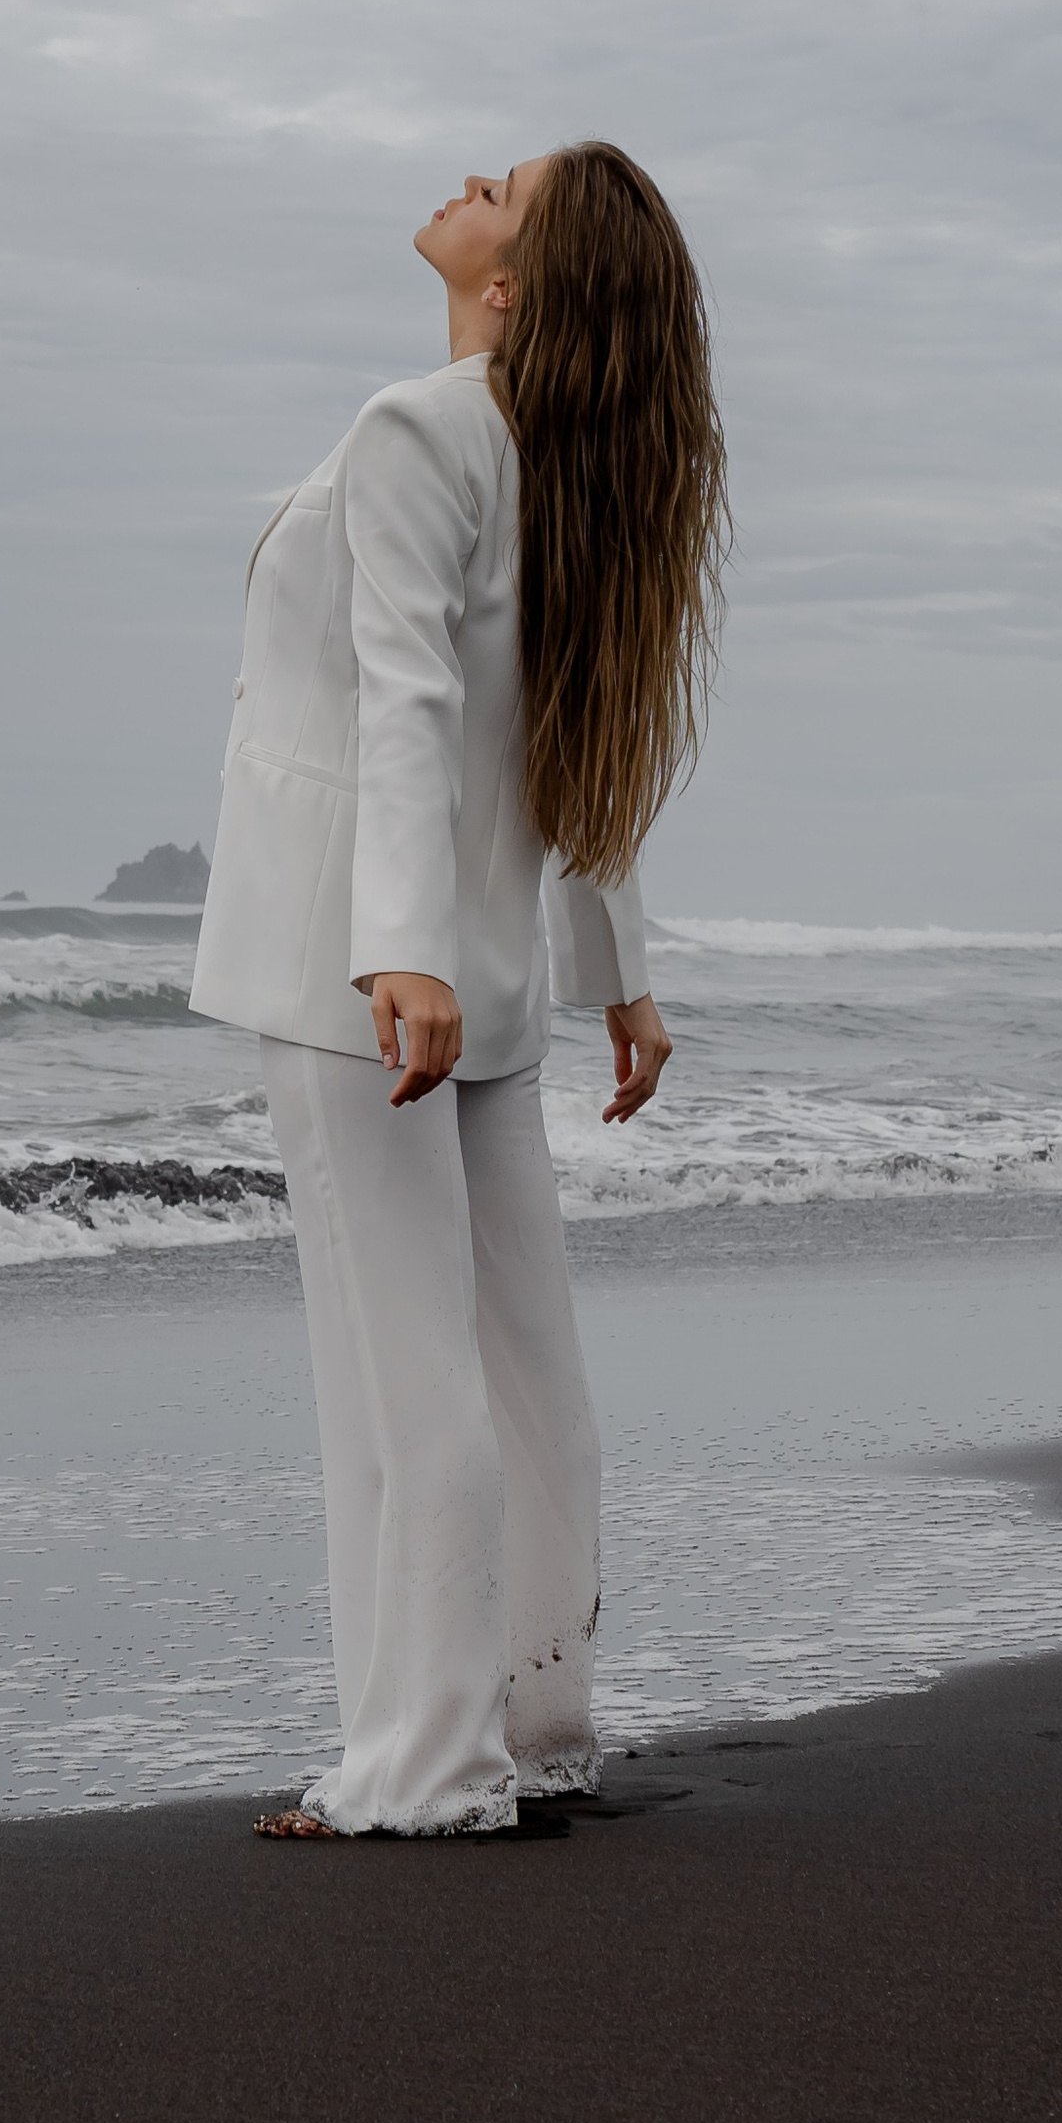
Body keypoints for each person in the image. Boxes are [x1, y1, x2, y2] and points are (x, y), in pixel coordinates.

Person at [188, 144, 729, 1837]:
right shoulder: (551, 462)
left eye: (515, 183)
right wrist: (618, 978)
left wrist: (393, 945)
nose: (476, 170)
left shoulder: (423, 431)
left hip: (365, 967)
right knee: (521, 1371)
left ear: (519, 283)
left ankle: (420, 1768)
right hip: (461, 970)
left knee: (399, 1378)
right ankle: (532, 1721)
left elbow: (416, 702)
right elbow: (578, 739)